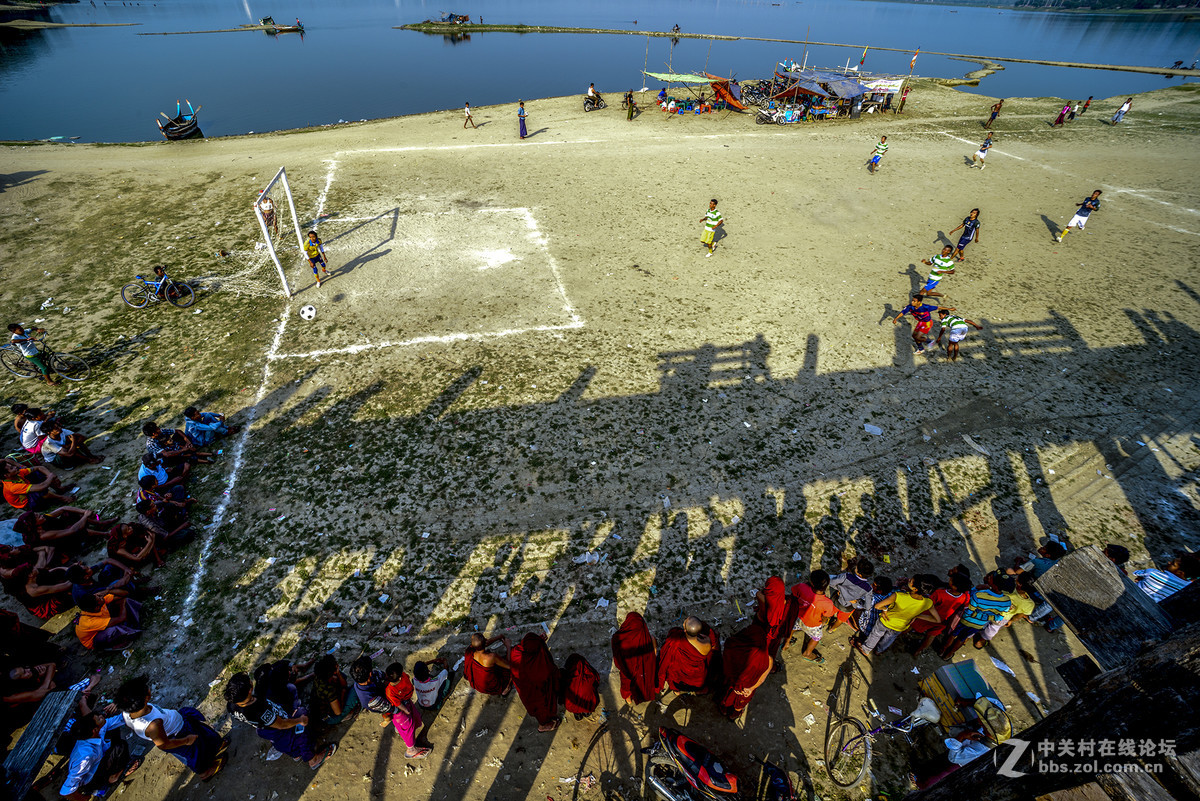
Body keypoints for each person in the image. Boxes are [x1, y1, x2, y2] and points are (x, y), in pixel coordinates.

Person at [115, 676, 227, 781]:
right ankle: (205, 773)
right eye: (146, 688)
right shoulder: (152, 725)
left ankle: (215, 747)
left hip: (180, 725)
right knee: (194, 754)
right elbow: (164, 744)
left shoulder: (128, 712)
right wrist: (186, 740)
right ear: (146, 698)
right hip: (179, 735)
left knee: (203, 735)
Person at [225, 667, 335, 770]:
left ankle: (296, 754)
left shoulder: (232, 706)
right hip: (279, 728)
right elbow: (282, 724)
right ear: (249, 690)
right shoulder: (260, 712)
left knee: (287, 739)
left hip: (268, 729)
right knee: (302, 724)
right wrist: (300, 720)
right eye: (250, 681)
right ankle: (313, 759)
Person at [57, 695, 140, 800]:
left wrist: (127, 705)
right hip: (92, 778)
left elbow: (120, 719)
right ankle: (112, 778)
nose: (101, 716)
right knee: (120, 747)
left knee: (113, 729)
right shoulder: (86, 756)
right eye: (99, 718)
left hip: (97, 760)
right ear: (94, 730)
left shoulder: (94, 731)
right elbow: (66, 790)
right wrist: (84, 798)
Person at [855, 576, 940, 656]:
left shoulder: (898, 595)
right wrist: (917, 616)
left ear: (915, 588)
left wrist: (885, 610)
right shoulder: (928, 602)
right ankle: (879, 650)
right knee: (889, 638)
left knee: (876, 635)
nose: (909, 580)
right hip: (901, 626)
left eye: (911, 581)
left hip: (886, 620)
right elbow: (937, 620)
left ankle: (866, 649)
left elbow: (878, 606)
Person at [938, 572, 1014, 660]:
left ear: (994, 584)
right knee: (962, 638)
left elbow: (969, 612)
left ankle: (942, 650)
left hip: (966, 620)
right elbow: (999, 618)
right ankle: (948, 655)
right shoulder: (1006, 602)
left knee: (953, 634)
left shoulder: (979, 595)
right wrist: (985, 617)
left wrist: (976, 614)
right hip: (979, 624)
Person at [791, 570, 851, 664]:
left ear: (811, 582)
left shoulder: (802, 586)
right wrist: (822, 622)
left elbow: (793, 594)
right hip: (812, 624)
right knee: (816, 637)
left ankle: (788, 640)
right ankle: (807, 653)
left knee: (794, 627)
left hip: (799, 616)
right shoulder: (827, 603)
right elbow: (825, 617)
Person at [715, 621, 772, 720]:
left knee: (727, 695)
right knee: (740, 701)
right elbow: (762, 679)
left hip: (731, 683)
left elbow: (727, 658)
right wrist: (751, 688)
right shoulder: (767, 659)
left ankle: (723, 708)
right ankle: (735, 714)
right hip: (746, 689)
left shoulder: (736, 645)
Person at [657, 616, 721, 694]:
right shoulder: (707, 643)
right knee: (700, 682)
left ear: (685, 630)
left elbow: (666, 658)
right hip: (698, 675)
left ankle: (676, 691)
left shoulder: (676, 640)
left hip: (680, 675)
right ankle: (699, 691)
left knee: (673, 672)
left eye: (684, 622)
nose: (684, 622)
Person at [510, 633, 560, 732]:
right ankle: (543, 726)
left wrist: (539, 640)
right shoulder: (538, 666)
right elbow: (548, 673)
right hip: (537, 695)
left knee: (538, 709)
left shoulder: (516, 651)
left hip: (525, 691)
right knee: (542, 712)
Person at [975, 573, 1036, 648]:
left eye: (1017, 578)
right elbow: (1020, 615)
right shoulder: (1030, 604)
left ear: (1019, 584)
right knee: (993, 628)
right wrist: (1011, 620)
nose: (1015, 578)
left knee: (980, 621)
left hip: (991, 610)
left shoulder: (1009, 587)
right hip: (1003, 619)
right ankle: (983, 639)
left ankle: (971, 633)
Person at [384, 662, 431, 758]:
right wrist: (405, 710)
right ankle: (411, 750)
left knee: (413, 719)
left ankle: (401, 730)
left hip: (407, 702)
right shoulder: (390, 691)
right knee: (407, 726)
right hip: (400, 710)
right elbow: (397, 704)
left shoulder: (401, 677)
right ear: (400, 677)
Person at [611, 611, 659, 704]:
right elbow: (654, 654)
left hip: (627, 671)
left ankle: (628, 699)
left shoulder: (618, 638)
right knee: (643, 682)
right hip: (644, 670)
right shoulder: (650, 638)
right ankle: (645, 695)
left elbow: (617, 659)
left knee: (627, 685)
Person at [14, 507, 113, 551]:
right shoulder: (43, 535)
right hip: (65, 544)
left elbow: (63, 509)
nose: (40, 516)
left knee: (70, 514)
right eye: (37, 517)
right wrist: (85, 516)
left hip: (63, 531)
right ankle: (105, 534)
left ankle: (101, 524)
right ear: (35, 525)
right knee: (79, 530)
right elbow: (72, 531)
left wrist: (83, 512)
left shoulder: (43, 519)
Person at [76, 591, 143, 651]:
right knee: (112, 630)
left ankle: (133, 625)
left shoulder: (97, 600)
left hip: (102, 623)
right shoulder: (89, 622)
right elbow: (121, 618)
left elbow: (125, 594)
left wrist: (108, 590)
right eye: (100, 598)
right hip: (95, 640)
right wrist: (122, 603)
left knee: (126, 601)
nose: (102, 597)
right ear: (97, 607)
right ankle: (115, 644)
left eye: (98, 596)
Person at [308, 654, 359, 726]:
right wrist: (343, 692)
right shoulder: (329, 690)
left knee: (342, 676)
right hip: (330, 718)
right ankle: (346, 716)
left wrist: (338, 673)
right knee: (356, 689)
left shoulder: (320, 677)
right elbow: (338, 712)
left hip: (326, 708)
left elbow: (344, 684)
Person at [827, 558, 875, 632]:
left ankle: (822, 623)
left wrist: (839, 589)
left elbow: (831, 582)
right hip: (848, 608)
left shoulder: (847, 576)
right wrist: (856, 603)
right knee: (840, 620)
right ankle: (831, 629)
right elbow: (867, 607)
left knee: (827, 613)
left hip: (836, 599)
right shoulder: (868, 589)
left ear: (858, 571)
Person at [2, 461, 74, 511]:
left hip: (27, 493)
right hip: (28, 504)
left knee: (36, 473)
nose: (15, 467)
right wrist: (51, 477)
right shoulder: (12, 486)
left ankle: (59, 489)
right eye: (11, 468)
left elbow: (39, 467)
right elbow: (42, 487)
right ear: (7, 475)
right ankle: (62, 498)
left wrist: (50, 475)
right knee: (41, 490)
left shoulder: (17, 474)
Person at [1133, 553, 1198, 603]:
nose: (1169, 562)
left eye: (1173, 564)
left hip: (1132, 596)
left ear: (1180, 573)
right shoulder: (1187, 588)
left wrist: (1142, 578)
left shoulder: (1153, 573)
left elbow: (1136, 573)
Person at [143, 420, 212, 466]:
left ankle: (208, 454)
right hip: (167, 457)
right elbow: (166, 454)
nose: (159, 429)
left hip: (172, 447)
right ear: (154, 433)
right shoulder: (151, 444)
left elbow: (177, 431)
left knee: (181, 437)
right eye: (157, 428)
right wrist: (183, 449)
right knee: (187, 456)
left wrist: (188, 442)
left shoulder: (161, 432)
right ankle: (207, 461)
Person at [40, 420, 104, 468]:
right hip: (55, 459)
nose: (59, 428)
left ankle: (91, 456)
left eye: (58, 426)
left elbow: (82, 437)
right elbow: (69, 454)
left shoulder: (62, 431)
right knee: (71, 449)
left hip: (63, 449)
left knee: (75, 443)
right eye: (56, 428)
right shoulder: (49, 443)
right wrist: (73, 442)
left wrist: (70, 445)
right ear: (49, 432)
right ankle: (89, 460)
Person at [561, 653, 601, 719]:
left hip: (571, 706)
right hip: (590, 704)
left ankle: (577, 713)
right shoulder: (590, 672)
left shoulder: (567, 676)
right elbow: (597, 680)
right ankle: (587, 712)